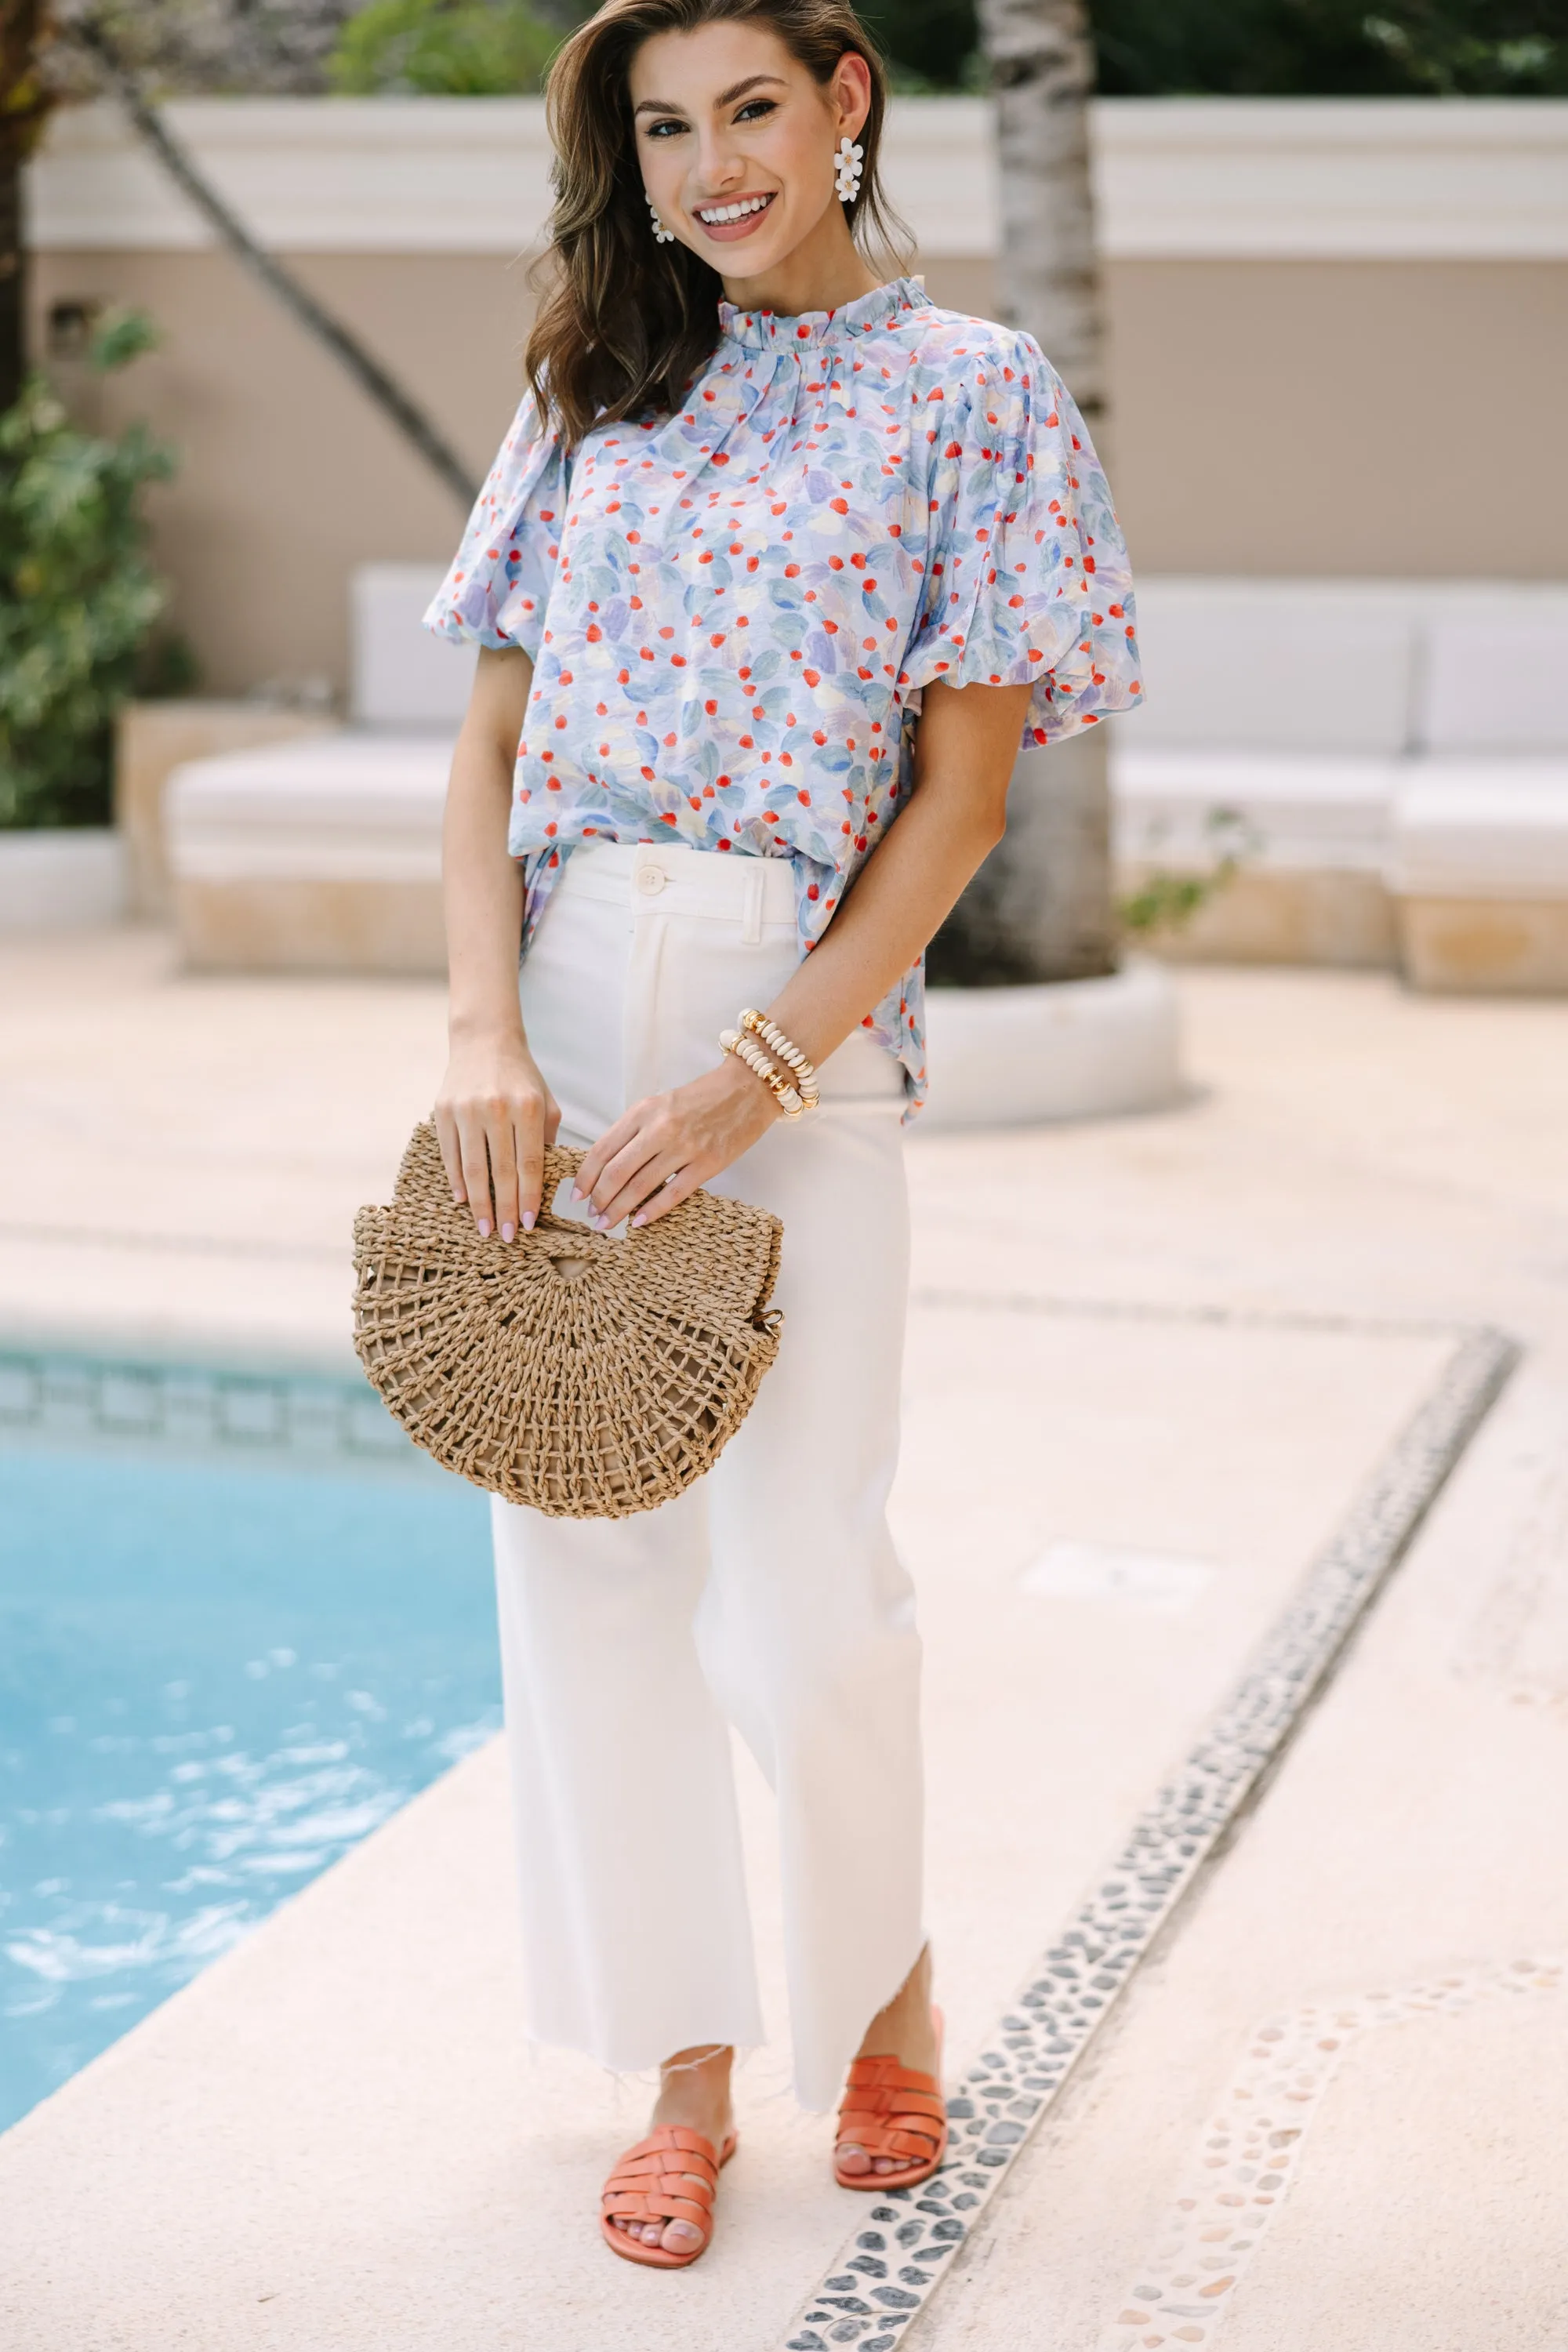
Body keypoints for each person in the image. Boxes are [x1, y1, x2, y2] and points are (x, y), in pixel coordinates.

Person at [425, 0, 1140, 2272]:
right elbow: (485, 748)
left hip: (799, 1011)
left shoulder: (981, 396)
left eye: (750, 110)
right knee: (593, 1568)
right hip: (556, 994)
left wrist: (764, 1067)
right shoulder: (589, 391)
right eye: (662, 129)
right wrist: (481, 1039)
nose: (713, 165)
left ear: (848, 104)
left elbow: (960, 802)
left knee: (810, 1574)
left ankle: (887, 1990)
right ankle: (686, 2070)